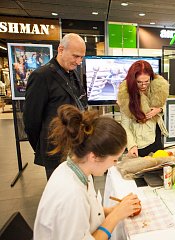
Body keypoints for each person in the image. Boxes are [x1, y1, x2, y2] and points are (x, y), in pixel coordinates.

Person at [34, 104, 141, 239]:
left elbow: (90, 212)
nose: (113, 166)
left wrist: (115, 210)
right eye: (114, 160)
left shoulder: (76, 169)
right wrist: (115, 216)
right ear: (94, 157)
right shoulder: (71, 195)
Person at [24, 33, 87, 180]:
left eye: (81, 57)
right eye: (75, 56)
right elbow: (31, 120)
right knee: (60, 191)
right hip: (55, 149)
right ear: (60, 50)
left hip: (76, 145)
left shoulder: (72, 72)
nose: (78, 62)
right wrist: (43, 147)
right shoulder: (41, 76)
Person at [117, 60, 169, 157]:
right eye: (139, 82)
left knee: (159, 166)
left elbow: (163, 103)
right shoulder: (125, 95)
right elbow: (125, 125)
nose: (144, 85)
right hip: (140, 141)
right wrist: (132, 145)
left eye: (146, 81)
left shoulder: (158, 87)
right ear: (133, 80)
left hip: (156, 135)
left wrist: (159, 109)